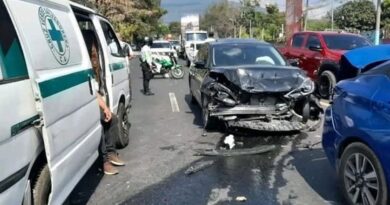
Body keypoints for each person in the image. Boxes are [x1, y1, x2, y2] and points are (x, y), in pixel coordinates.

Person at [82, 30, 125, 175]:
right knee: (100, 123)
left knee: (112, 119)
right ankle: (104, 161)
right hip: (84, 103)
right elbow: (92, 94)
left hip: (93, 100)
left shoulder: (94, 65)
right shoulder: (84, 66)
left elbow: (96, 92)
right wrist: (103, 107)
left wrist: (106, 108)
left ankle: (111, 153)